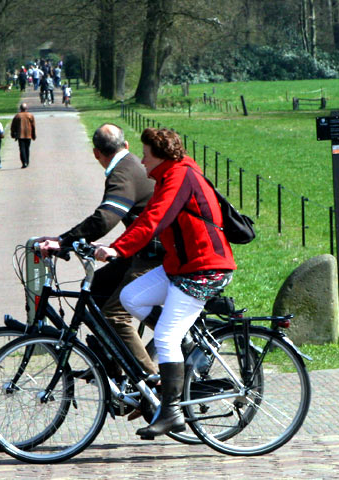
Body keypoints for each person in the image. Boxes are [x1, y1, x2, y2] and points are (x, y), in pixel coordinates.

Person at [95, 127, 235, 438]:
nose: (142, 162)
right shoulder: (167, 176)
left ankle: (171, 412)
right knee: (131, 297)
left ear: (160, 156)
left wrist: (117, 249)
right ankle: (177, 342)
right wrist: (117, 247)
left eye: (145, 155)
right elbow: (147, 220)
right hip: (179, 267)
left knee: (168, 337)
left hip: (203, 268)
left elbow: (154, 219)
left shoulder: (179, 176)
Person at [38, 123, 160, 376]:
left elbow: (105, 218)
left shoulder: (123, 173)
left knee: (115, 314)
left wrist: (63, 241)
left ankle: (149, 381)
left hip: (156, 254)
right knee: (95, 290)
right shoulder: (130, 165)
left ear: (96, 153)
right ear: (126, 145)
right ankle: (116, 361)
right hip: (144, 249)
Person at [10, 102, 36, 168]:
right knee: (27, 148)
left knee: (22, 149)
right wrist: (33, 135)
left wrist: (13, 133)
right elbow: (33, 126)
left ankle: (24, 162)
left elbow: (13, 126)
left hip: (20, 135)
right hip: (28, 134)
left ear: (20, 108)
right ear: (26, 108)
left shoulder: (17, 116)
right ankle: (27, 161)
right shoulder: (30, 115)